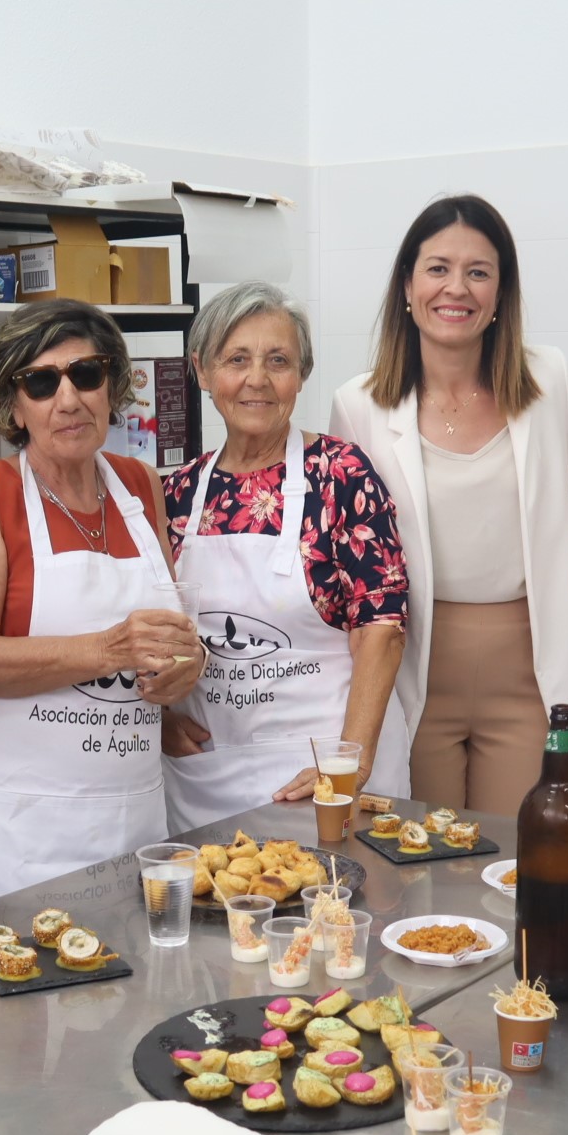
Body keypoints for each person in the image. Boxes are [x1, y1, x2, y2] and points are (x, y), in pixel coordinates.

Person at [328, 194, 568, 812]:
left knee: (516, 863)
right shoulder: (359, 405)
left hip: (527, 676)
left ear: (500, 293)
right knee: (423, 856)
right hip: (414, 675)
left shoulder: (546, 381)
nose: (455, 288)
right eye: (437, 268)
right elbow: (346, 556)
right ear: (407, 285)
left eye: (478, 271)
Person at [0, 301, 204, 901]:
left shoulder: (140, 484)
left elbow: (173, 633)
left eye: (86, 374)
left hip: (136, 812)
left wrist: (187, 669)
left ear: (113, 386)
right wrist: (107, 649)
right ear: (13, 404)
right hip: (27, 826)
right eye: (40, 381)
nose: (69, 399)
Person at [159, 282, 410, 829]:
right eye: (237, 359)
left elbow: (382, 629)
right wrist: (158, 720)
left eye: (278, 361)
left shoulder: (341, 474)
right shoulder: (177, 493)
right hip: (209, 777)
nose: (258, 380)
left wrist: (351, 763)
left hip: (324, 770)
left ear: (301, 375)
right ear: (202, 371)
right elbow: (151, 631)